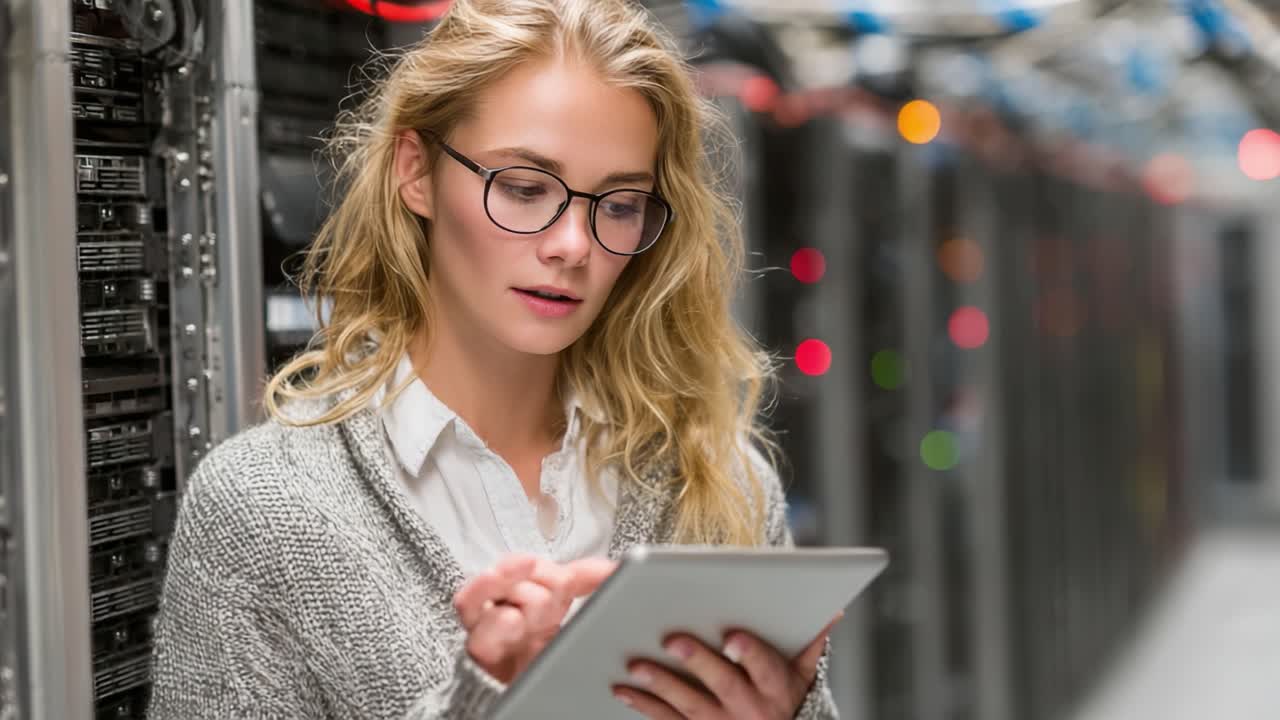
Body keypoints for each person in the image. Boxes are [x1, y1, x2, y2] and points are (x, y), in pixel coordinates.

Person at [147, 0, 840, 718]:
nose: (573, 244)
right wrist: (482, 699)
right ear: (415, 172)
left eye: (621, 203)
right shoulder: (263, 510)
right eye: (524, 188)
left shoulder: (720, 483)